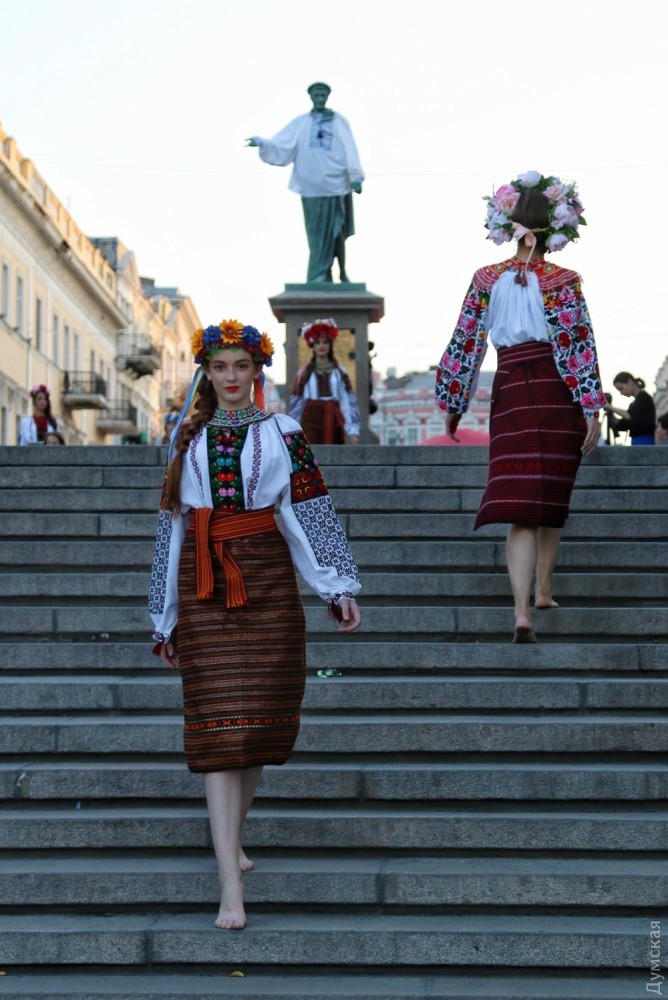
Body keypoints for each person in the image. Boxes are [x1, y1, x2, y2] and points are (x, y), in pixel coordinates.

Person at [149, 319, 361, 931]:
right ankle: (228, 888)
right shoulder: (185, 440)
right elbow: (174, 529)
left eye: (242, 367)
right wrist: (163, 618)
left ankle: (233, 837)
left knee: (261, 720)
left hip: (268, 582)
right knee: (217, 732)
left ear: (257, 371)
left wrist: (336, 585)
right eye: (221, 368)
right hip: (204, 587)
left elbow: (308, 509)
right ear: (207, 374)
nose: (232, 378)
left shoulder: (285, 432)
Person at [435, 171, 605, 643]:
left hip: (511, 390)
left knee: (520, 505)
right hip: (556, 391)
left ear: (510, 225)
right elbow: (577, 346)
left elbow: (466, 342)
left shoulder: (486, 279)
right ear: (557, 229)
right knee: (551, 495)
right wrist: (591, 405)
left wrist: (454, 400)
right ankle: (545, 589)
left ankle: (522, 610)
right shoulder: (566, 281)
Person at [247, 82, 364, 283]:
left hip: (337, 186)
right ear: (311, 97)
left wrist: (356, 176)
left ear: (327, 97)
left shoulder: (338, 121)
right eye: (316, 95)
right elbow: (282, 144)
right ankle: (320, 274)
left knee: (337, 231)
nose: (320, 99)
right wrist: (263, 142)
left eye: (323, 95)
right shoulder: (302, 123)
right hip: (311, 188)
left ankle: (342, 272)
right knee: (317, 235)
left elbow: (350, 148)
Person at [289, 317, 360, 444]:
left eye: (325, 342)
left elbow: (347, 400)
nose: (321, 346)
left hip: (334, 420)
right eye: (318, 342)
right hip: (310, 421)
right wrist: (293, 430)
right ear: (313, 345)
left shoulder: (339, 371)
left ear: (330, 344)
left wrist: (352, 430)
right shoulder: (304, 373)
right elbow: (297, 403)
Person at [603, 372, 656, 446]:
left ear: (630, 382)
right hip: (638, 440)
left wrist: (609, 407)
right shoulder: (634, 403)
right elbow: (626, 423)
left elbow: (629, 415)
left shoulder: (643, 397)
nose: (621, 393)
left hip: (644, 440)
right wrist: (612, 416)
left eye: (621, 388)